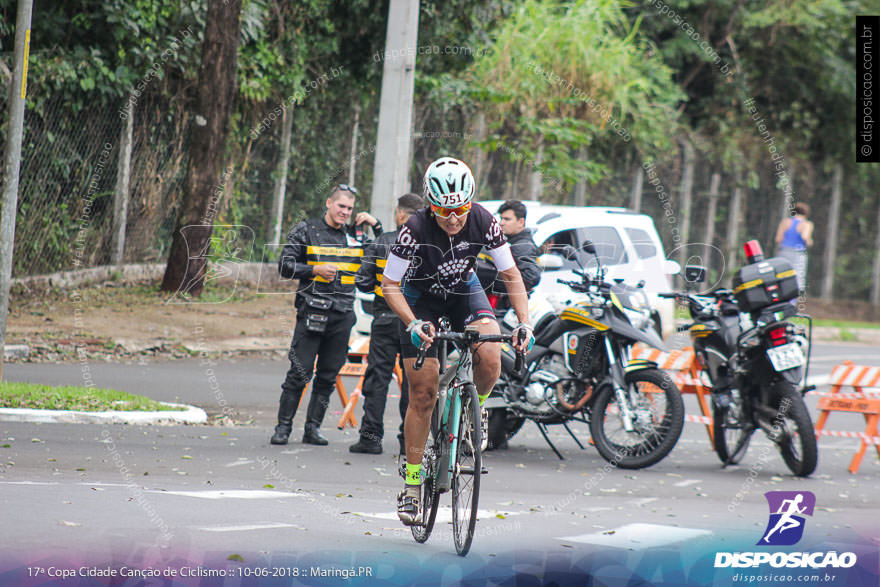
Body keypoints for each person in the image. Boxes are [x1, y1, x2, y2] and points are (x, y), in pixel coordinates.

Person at [380, 157, 534, 525]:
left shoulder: (484, 220)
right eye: (445, 210)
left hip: (463, 290)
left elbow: (511, 275)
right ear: (431, 204)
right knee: (422, 394)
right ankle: (413, 485)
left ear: (471, 201)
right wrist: (413, 323)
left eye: (461, 209)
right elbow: (390, 285)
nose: (453, 218)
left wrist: (524, 323)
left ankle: (474, 410)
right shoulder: (414, 229)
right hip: (420, 300)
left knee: (492, 356)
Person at [270, 184, 381, 446]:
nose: (345, 212)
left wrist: (376, 227)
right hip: (312, 310)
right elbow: (285, 266)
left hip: (342, 314)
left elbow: (383, 253)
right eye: (341, 206)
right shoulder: (306, 229)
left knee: (329, 375)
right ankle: (283, 427)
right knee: (299, 372)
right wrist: (315, 269)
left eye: (350, 208)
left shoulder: (356, 236)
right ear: (329, 203)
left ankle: (312, 428)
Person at [349, 193, 425, 455]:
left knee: (377, 378)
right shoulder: (429, 244)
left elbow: (362, 280)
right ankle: (409, 442)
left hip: (384, 320)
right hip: (417, 324)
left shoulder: (383, 241)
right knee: (414, 381)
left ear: (401, 214)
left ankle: (370, 439)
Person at [476, 200, 541, 314]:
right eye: (501, 218)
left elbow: (531, 277)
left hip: (508, 311)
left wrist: (492, 280)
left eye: (507, 219)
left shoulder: (523, 246)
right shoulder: (508, 242)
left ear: (521, 222)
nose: (501, 223)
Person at [774, 202, 813, 292]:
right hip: (797, 254)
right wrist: (810, 241)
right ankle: (792, 302)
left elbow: (778, 239)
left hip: (783, 252)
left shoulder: (785, 222)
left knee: (781, 275)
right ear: (806, 214)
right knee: (798, 278)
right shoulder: (806, 224)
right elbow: (805, 237)